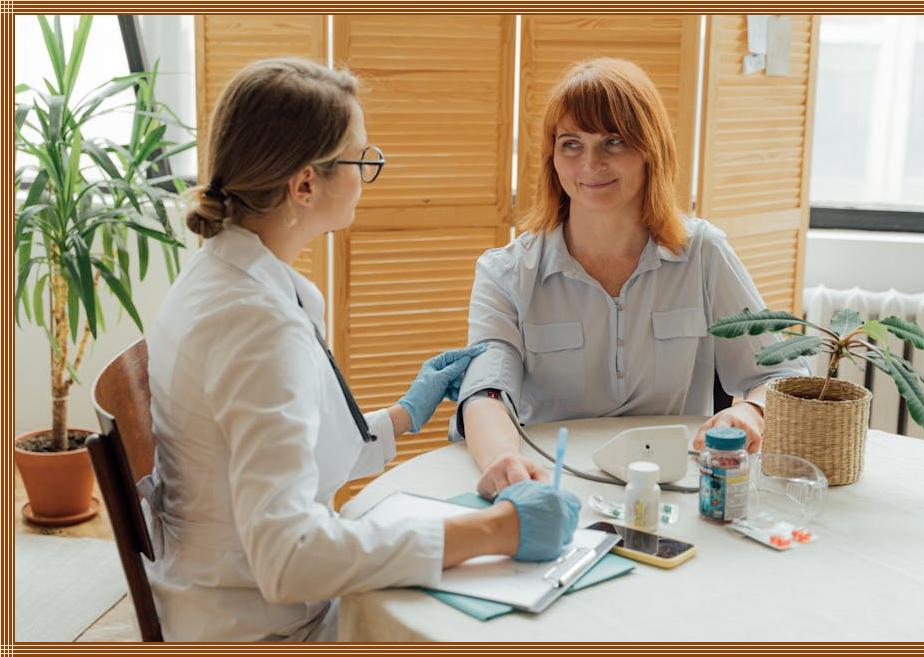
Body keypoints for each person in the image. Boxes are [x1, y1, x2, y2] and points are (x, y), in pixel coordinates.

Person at [142, 57, 580, 642]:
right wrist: (496, 532)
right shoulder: (258, 326)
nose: (369, 173)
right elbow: (288, 557)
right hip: (263, 628)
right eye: (361, 159)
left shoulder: (221, 276)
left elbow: (265, 457)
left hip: (222, 594)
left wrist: (400, 417)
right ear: (304, 185)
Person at [454, 58, 810, 499]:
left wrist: (751, 413)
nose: (591, 163)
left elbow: (783, 373)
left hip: (675, 490)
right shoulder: (505, 273)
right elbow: (485, 393)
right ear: (552, 157)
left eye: (614, 141)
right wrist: (502, 460)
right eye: (571, 144)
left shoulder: (704, 252)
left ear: (650, 150)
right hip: (551, 487)